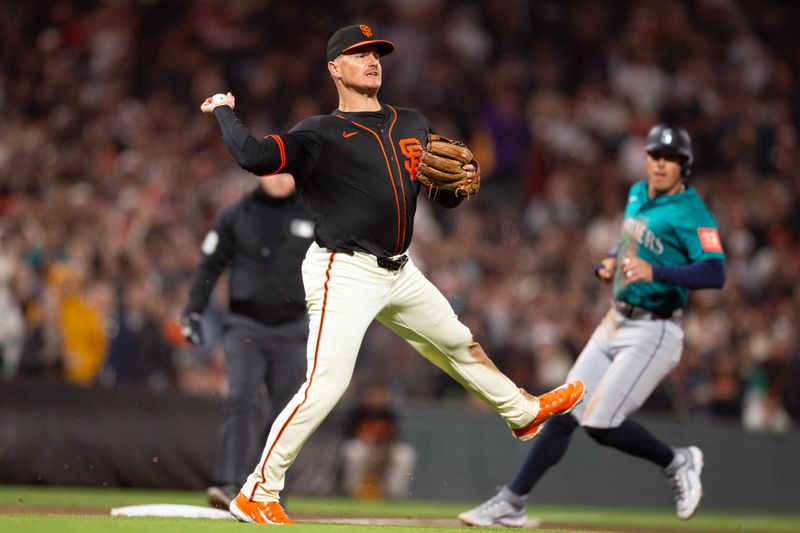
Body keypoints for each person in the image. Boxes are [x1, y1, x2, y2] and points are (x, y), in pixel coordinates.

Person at [200, 23, 586, 525]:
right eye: (359, 54)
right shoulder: (318, 133)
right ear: (335, 68)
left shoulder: (413, 122)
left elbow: (439, 191)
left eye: (376, 53)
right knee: (325, 385)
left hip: (399, 271)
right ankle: (257, 490)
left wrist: (459, 184)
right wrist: (224, 110)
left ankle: (522, 412)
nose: (372, 60)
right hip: (344, 269)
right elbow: (253, 157)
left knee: (458, 341)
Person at [458, 123, 727, 527]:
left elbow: (715, 272)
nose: (660, 163)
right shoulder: (638, 193)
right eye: (655, 155)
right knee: (564, 411)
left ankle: (678, 461)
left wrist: (657, 274)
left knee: (600, 423)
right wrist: (612, 261)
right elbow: (627, 243)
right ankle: (512, 501)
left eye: (670, 158)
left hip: (654, 330)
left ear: (683, 166)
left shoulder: (692, 213)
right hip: (615, 320)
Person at [181, 173, 314, 509]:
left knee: (286, 410)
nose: (281, 178)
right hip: (246, 325)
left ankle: (266, 488)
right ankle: (230, 484)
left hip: (293, 328)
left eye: (287, 170)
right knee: (242, 399)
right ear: (259, 172)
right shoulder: (235, 213)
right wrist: (193, 312)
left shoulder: (314, 213)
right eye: (273, 169)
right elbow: (209, 264)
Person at [340, 382, 416, 500]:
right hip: (365, 450)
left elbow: (397, 438)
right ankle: (352, 493)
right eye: (373, 394)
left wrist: (387, 449)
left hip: (384, 451)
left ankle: (394, 496)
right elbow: (347, 437)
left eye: (380, 395)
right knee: (354, 451)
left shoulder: (389, 414)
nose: (377, 398)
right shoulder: (357, 413)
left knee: (405, 454)